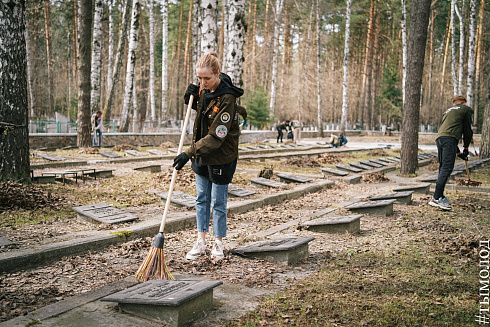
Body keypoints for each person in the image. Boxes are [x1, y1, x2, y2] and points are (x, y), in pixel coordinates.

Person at [172, 52, 244, 260]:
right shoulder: (204, 90)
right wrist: (190, 99)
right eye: (199, 78)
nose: (202, 83)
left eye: (207, 78)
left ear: (217, 74)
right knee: (201, 198)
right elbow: (203, 111)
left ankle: (218, 242)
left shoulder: (228, 97)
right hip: (201, 155)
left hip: (221, 156)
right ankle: (201, 240)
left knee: (217, 202)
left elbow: (216, 135)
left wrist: (188, 153)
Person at [428, 95, 473, 211]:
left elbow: (449, 131)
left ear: (454, 103)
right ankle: (436, 198)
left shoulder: (448, 111)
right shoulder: (466, 109)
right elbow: (467, 130)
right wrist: (466, 148)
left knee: (443, 167)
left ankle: (440, 196)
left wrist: (458, 153)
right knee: (447, 168)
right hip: (449, 140)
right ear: (464, 103)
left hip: (440, 138)